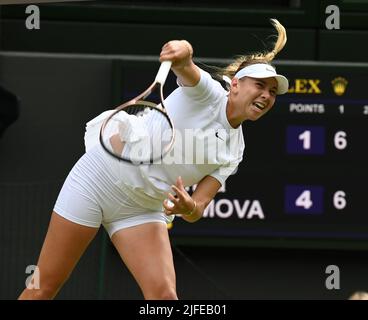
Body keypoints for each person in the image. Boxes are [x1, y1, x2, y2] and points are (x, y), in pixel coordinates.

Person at [19, 18, 289, 300]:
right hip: (98, 180)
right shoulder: (208, 94)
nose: (266, 95)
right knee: (43, 287)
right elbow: (186, 65)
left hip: (142, 209)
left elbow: (199, 207)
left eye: (272, 92)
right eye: (260, 85)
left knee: (164, 297)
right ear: (235, 85)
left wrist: (188, 207)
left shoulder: (236, 150)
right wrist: (182, 50)